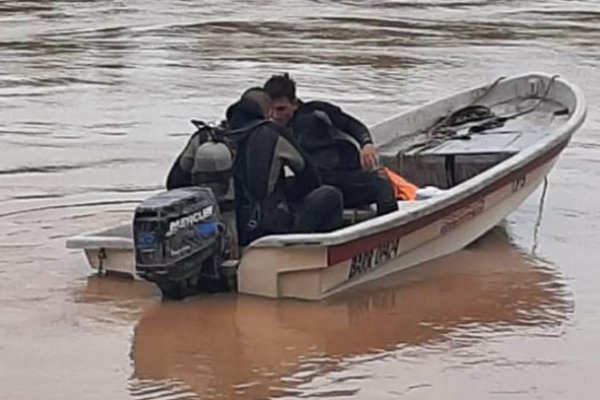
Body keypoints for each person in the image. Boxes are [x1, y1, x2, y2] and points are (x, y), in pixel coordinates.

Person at [263, 73, 398, 216]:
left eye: (281, 109)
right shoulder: (268, 130)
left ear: (294, 104)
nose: (276, 116)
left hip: (343, 177)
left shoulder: (317, 113)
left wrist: (367, 144)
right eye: (271, 111)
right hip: (313, 183)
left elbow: (351, 124)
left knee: (382, 186)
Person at [224, 88, 344, 245]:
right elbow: (311, 178)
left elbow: (180, 178)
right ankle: (316, 253)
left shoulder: (209, 136)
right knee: (330, 194)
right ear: (267, 113)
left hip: (223, 228)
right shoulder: (273, 133)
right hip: (268, 229)